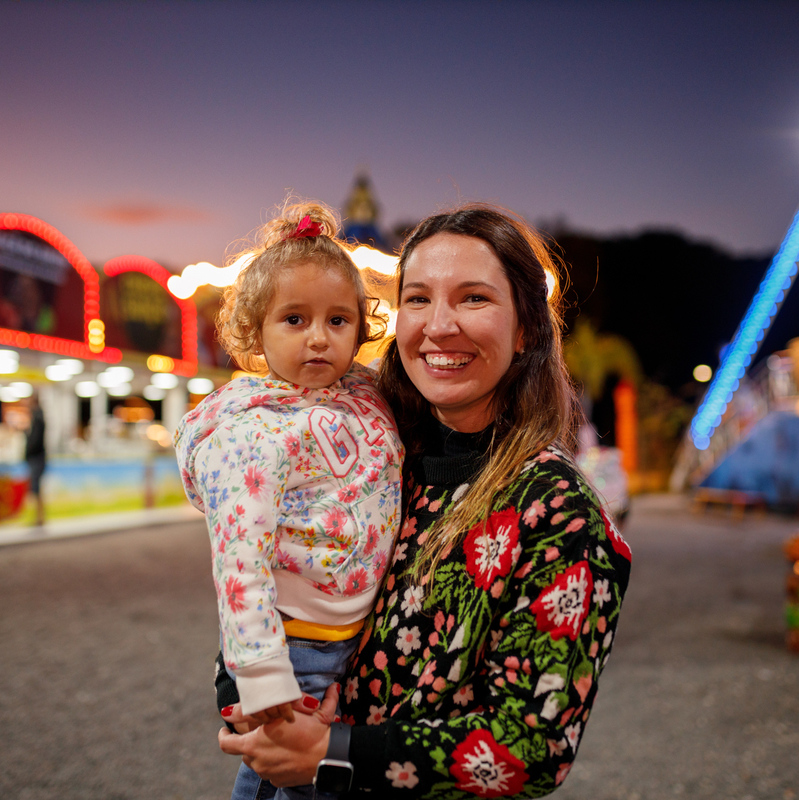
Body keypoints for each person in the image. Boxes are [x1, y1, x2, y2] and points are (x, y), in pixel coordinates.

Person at [217, 204, 633, 798]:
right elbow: (265, 575)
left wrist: (329, 754)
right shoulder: (366, 456)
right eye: (418, 298)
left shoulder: (558, 513)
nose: (438, 326)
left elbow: (532, 746)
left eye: (473, 298)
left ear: (525, 331)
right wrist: (245, 700)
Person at [175, 202, 404, 800]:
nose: (319, 338)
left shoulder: (364, 397)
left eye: (338, 320)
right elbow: (238, 561)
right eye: (295, 319)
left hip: (347, 639)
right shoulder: (250, 433)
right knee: (282, 779)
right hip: (291, 646)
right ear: (256, 330)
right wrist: (260, 677)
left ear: (362, 328)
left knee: (308, 780)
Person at [24, 393, 46, 526]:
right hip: (37, 457)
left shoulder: (37, 418)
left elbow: (35, 441)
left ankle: (39, 518)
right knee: (36, 489)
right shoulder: (37, 417)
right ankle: (39, 517)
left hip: (36, 458)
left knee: (36, 489)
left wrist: (27, 453)